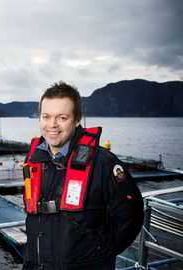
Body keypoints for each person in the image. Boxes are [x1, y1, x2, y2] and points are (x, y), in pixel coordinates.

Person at [22, 82, 144, 269]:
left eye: (62, 117)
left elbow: (131, 215)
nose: (52, 125)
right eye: (46, 116)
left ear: (77, 119)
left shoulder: (103, 162)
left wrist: (101, 251)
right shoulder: (33, 159)